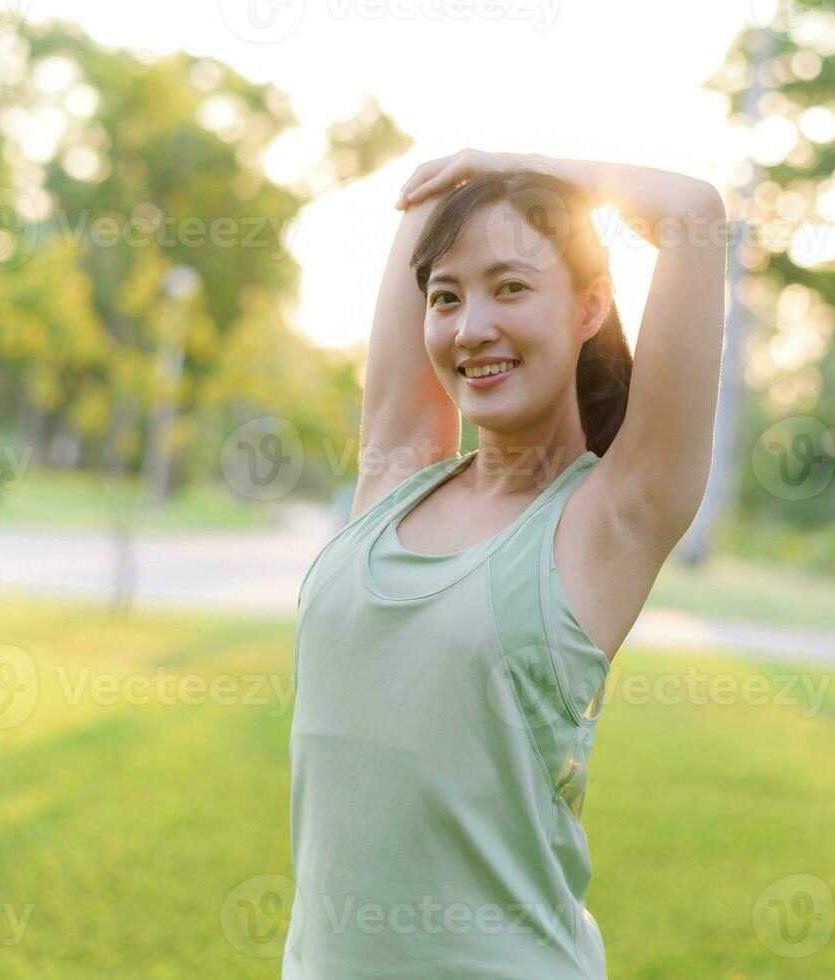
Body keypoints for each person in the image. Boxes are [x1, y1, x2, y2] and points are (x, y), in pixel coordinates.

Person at [283, 149, 726, 977]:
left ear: (590, 305)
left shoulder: (607, 520)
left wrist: (519, 166)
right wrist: (471, 187)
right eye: (446, 298)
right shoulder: (394, 478)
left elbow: (694, 210)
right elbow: (426, 195)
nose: (469, 326)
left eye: (511, 287)